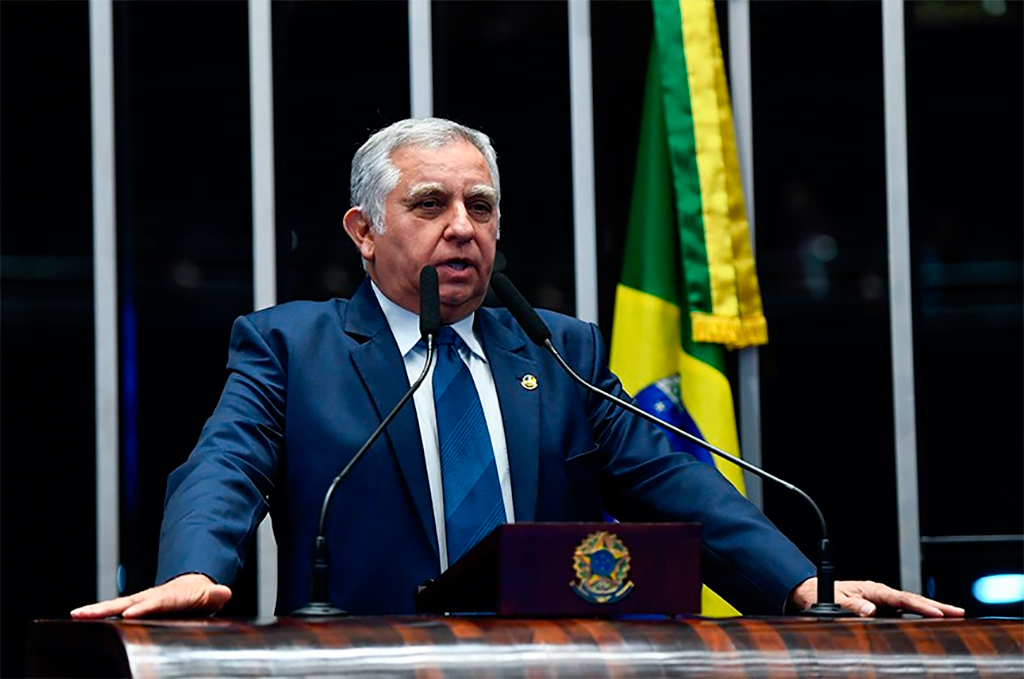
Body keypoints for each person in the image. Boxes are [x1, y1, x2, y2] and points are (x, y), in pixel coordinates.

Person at [72, 118, 963, 620]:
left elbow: (676, 483)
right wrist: (196, 568)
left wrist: (804, 581)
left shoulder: (557, 352)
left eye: (482, 205)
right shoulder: (292, 348)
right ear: (363, 230)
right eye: (431, 203)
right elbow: (223, 465)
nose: (463, 225)